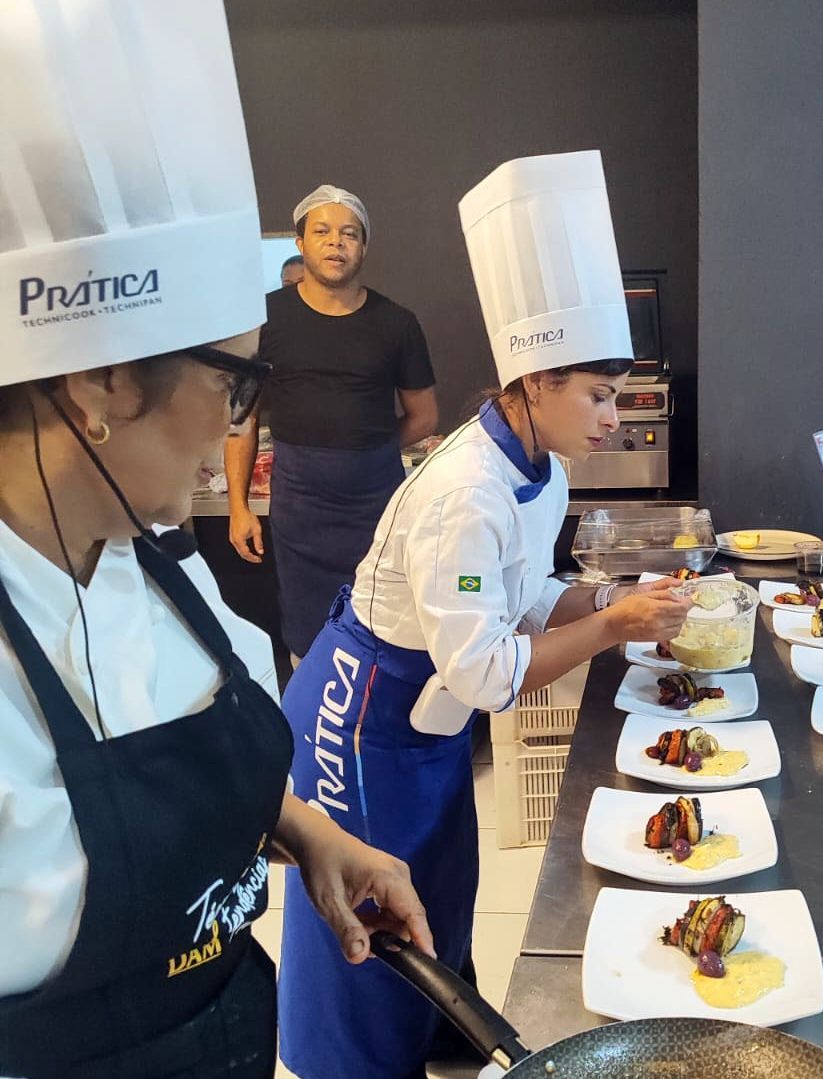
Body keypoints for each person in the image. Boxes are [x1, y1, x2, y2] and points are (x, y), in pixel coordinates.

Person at [0, 5, 431, 1077]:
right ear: (99, 382)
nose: (242, 425)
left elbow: (182, 772)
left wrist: (306, 834)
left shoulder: (158, 564)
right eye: (235, 382)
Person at [277, 150, 692, 1079]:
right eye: (596, 395)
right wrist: (611, 628)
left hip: (425, 722)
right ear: (532, 382)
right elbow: (487, 673)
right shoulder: (467, 488)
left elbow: (525, 595)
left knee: (441, 895)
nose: (612, 418)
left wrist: (604, 599)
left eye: (615, 396)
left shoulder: (538, 467)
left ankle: (436, 1046)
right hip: (364, 718)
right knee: (368, 932)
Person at [226, 185, 439, 663]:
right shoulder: (264, 319)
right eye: (321, 231)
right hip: (299, 507)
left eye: (349, 233)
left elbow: (425, 417)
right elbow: (241, 419)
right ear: (300, 243)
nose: (335, 242)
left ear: (363, 247)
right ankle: (315, 730)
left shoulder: (397, 323)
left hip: (377, 506)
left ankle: (375, 729)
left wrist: (368, 453)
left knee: (386, 623)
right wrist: (239, 507)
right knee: (308, 635)